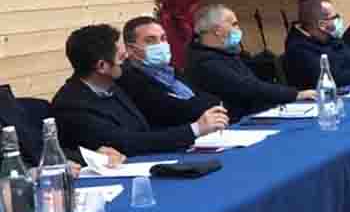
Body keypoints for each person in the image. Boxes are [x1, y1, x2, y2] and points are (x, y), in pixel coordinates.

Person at [51, 24, 228, 159]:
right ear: (102, 66)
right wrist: (194, 129)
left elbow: (145, 129)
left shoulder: (114, 85)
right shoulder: (73, 105)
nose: (128, 59)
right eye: (121, 58)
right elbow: (127, 143)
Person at [186, 5, 317, 122]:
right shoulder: (204, 62)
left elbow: (254, 84)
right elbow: (248, 88)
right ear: (217, 30)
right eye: (234, 24)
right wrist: (295, 95)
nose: (238, 29)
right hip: (232, 126)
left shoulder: (226, 54)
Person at [116, 15, 221, 129]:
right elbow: (178, 111)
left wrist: (212, 104)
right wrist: (212, 105)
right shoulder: (130, 79)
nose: (160, 45)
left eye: (163, 38)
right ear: (131, 49)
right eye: (150, 41)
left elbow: (205, 96)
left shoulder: (169, 70)